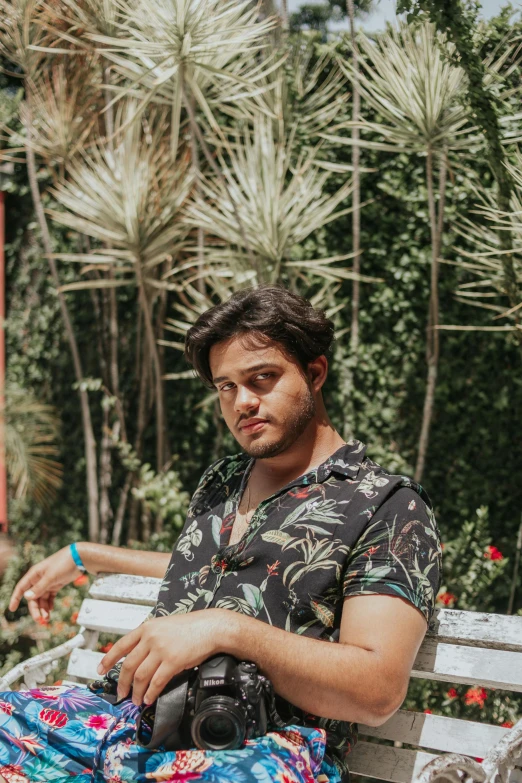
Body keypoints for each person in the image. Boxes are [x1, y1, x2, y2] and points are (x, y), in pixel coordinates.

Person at [2, 286, 441, 783]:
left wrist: (225, 627)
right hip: (121, 720)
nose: (243, 402)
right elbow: (219, 565)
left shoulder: (386, 505)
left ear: (315, 373)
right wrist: (87, 554)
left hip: (252, 749)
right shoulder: (223, 481)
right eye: (226, 386)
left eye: (262, 378)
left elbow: (377, 689)